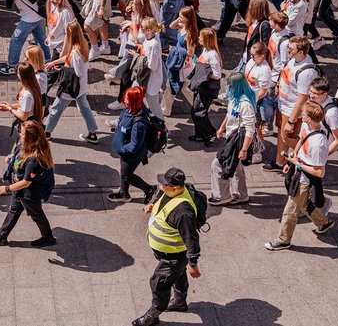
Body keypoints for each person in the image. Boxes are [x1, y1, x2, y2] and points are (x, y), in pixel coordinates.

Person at [133, 167, 201, 326]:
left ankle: (154, 314)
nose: (162, 187)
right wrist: (152, 204)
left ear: (176, 188)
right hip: (167, 252)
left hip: (174, 256)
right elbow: (161, 196)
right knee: (177, 274)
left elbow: (191, 239)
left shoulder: (184, 212)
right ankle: (179, 301)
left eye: (165, 185)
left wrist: (193, 263)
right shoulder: (171, 192)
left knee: (159, 282)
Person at [264, 100, 335, 251]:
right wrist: (291, 160)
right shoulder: (307, 126)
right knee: (303, 204)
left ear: (310, 118)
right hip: (298, 169)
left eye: (303, 114)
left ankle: (283, 240)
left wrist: (298, 164)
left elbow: (319, 172)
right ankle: (323, 222)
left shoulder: (318, 143)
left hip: (304, 179)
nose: (300, 116)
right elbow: (302, 140)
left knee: (290, 211)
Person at [0, 120, 57, 247]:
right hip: (20, 189)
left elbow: (26, 182)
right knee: (14, 210)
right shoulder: (27, 145)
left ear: (31, 138)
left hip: (29, 193)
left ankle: (48, 238)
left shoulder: (34, 160)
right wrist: (11, 158)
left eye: (23, 134)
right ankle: (1, 236)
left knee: (37, 214)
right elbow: (18, 154)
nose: (20, 134)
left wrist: (6, 189)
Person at [264, 36, 319, 172]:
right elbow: (285, 74)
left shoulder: (306, 72)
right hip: (283, 105)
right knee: (281, 135)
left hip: (291, 110)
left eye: (291, 49)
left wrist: (292, 121)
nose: (288, 50)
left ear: (301, 52)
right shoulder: (294, 60)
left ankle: (309, 159)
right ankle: (280, 161)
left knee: (287, 137)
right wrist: (278, 85)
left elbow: (302, 99)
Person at [43, 20, 100, 143]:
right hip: (81, 86)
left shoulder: (75, 51)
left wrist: (62, 69)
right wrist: (54, 62)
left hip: (70, 86)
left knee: (56, 108)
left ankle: (46, 131)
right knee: (84, 107)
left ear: (70, 35)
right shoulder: (83, 44)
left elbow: (76, 71)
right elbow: (70, 59)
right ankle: (93, 132)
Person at [209, 72, 257, 205]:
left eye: (230, 85)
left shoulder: (245, 104)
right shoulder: (234, 98)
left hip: (237, 142)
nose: (228, 88)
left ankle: (222, 196)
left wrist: (244, 150)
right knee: (237, 167)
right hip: (231, 137)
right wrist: (222, 128)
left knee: (218, 165)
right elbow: (230, 114)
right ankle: (241, 195)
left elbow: (250, 129)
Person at [108, 86, 158, 203]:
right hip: (124, 151)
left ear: (133, 101)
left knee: (127, 176)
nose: (124, 100)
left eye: (126, 98)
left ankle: (149, 190)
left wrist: (122, 149)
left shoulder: (139, 123)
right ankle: (124, 193)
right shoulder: (129, 109)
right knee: (125, 173)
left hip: (131, 155)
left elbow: (135, 145)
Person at [188, 29, 222, 145]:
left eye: (201, 37)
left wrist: (204, 74)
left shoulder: (212, 55)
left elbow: (217, 75)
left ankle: (211, 133)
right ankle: (200, 134)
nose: (199, 39)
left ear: (206, 39)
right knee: (195, 111)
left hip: (207, 88)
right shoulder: (205, 50)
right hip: (201, 86)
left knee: (199, 113)